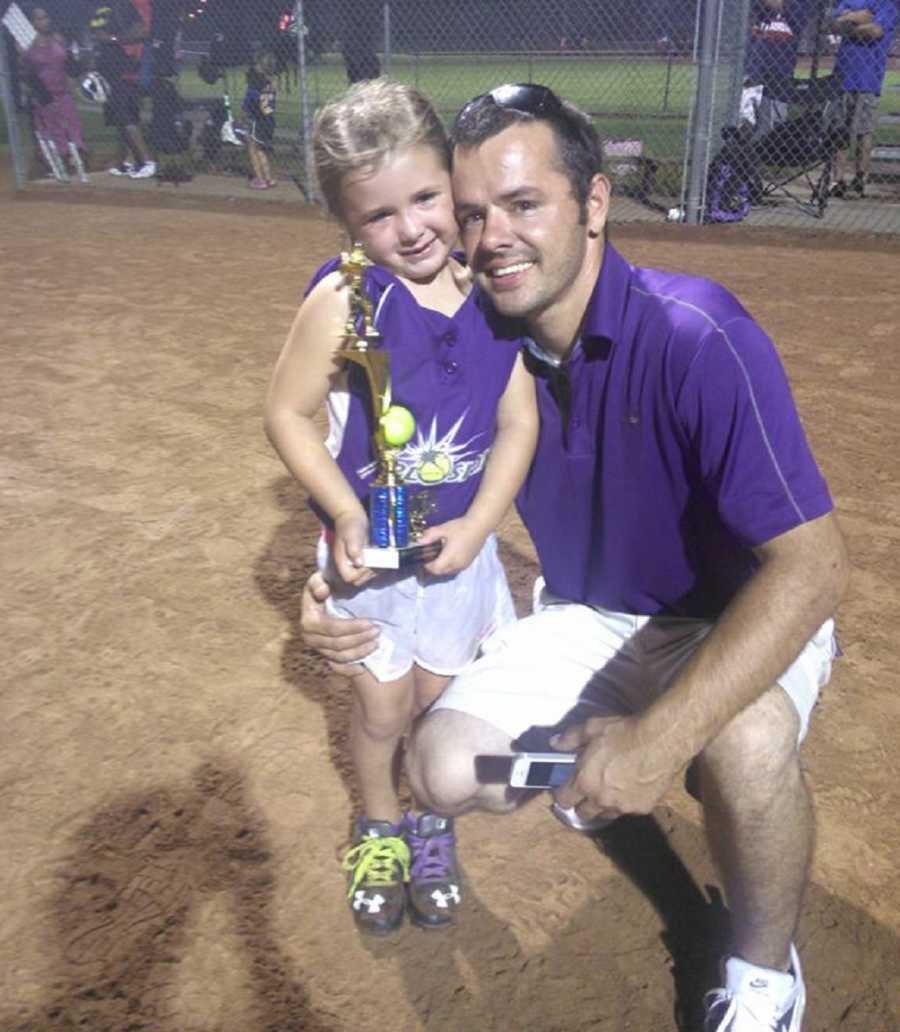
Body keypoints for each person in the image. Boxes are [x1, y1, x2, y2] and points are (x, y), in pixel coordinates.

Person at [299, 82, 850, 1031]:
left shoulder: (695, 333)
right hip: (592, 618)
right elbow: (389, 472)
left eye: (524, 205)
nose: (492, 236)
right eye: (472, 214)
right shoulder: (481, 340)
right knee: (441, 767)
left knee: (745, 740)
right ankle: (593, 768)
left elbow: (814, 567)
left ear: (593, 204)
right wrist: (337, 582)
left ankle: (763, 978)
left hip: (733, 616)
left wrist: (661, 739)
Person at [264, 79, 537, 936]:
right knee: (382, 709)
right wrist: (344, 512)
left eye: (425, 197)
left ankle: (431, 822)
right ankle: (382, 825)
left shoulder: (497, 289)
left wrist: (483, 523)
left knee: (436, 705)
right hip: (370, 557)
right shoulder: (348, 300)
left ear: (453, 184)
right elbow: (286, 411)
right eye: (379, 215)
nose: (412, 227)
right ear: (348, 225)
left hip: (456, 554)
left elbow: (517, 419)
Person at [829, 0, 899, 197]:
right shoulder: (848, 2)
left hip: (868, 80)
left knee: (863, 132)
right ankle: (838, 180)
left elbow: (875, 32)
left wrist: (848, 24)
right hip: (842, 78)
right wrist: (856, 18)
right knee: (838, 131)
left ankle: (860, 179)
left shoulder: (887, 5)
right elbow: (831, 25)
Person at [88, 0, 156, 179]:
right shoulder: (97, 7)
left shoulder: (122, 5)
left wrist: (112, 39)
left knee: (126, 115)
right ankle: (127, 162)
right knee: (118, 118)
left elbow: (143, 31)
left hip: (123, 69)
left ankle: (147, 162)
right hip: (107, 69)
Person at [20, 6, 86, 181]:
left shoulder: (58, 39)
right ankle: (55, 164)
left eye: (45, 17)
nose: (44, 21)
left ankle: (75, 160)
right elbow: (25, 71)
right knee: (51, 129)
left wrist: (72, 78)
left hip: (63, 91)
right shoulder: (25, 43)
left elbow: (70, 63)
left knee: (71, 126)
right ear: (32, 22)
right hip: (43, 93)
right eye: (39, 19)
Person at [242, 50, 277, 189]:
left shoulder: (254, 83)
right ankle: (268, 178)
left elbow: (248, 103)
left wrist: (244, 114)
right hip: (269, 119)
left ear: (259, 66)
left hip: (257, 120)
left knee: (252, 149)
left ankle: (260, 179)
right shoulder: (271, 82)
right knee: (261, 150)